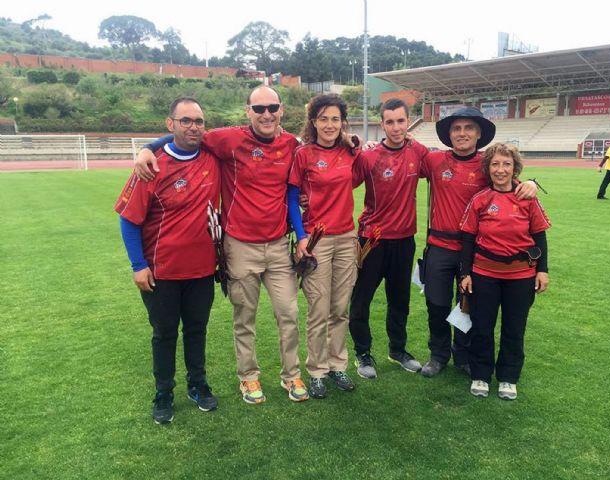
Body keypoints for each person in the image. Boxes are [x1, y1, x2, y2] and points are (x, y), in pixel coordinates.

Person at [134, 86, 309, 405]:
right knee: (245, 315)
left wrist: (352, 143)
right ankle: (249, 378)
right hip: (240, 244)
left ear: (281, 110)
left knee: (289, 311)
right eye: (259, 109)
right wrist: (148, 147)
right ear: (248, 112)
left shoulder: (291, 144)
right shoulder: (228, 138)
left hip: (278, 244)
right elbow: (187, 135)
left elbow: (306, 171)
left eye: (272, 108)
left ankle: (291, 374)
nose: (266, 114)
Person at [115, 96, 220, 424]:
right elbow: (128, 220)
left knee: (197, 329)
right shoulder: (152, 166)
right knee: (164, 333)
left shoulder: (214, 157)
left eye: (199, 121)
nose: (194, 127)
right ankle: (163, 392)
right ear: (170, 123)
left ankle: (197, 384)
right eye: (185, 120)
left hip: (203, 270)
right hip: (160, 273)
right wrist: (137, 265)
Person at [420, 106, 538, 378]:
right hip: (439, 246)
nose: (462, 133)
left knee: (468, 305)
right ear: (449, 134)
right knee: (436, 304)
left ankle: (463, 353)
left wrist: (530, 182)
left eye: (468, 128)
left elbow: (510, 180)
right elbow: (404, 156)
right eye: (456, 128)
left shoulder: (487, 163)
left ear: (478, 133)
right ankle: (438, 354)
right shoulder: (434, 160)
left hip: (474, 250)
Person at [459, 143, 550, 400]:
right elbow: (467, 239)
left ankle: (508, 377)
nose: (501, 170)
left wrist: (542, 270)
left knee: (514, 328)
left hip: (520, 276)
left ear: (515, 167)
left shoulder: (528, 199)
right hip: (484, 274)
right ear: (488, 168)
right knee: (482, 327)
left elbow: (539, 236)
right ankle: (481, 374)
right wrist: (465, 273)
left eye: (506, 164)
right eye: (495, 164)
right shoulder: (481, 199)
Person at [349, 98, 429, 379]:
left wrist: (520, 183)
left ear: (409, 122)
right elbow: (340, 183)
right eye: (390, 122)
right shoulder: (369, 157)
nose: (396, 127)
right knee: (361, 300)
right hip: (371, 240)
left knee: (399, 300)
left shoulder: (419, 152)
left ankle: (397, 350)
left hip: (404, 241)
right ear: (381, 125)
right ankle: (362, 353)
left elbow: (450, 171)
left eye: (401, 121)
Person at [288, 93, 358, 398]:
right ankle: (316, 371)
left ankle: (337, 365)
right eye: (323, 119)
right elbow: (292, 197)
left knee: (340, 308)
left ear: (342, 122)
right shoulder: (303, 155)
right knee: (318, 308)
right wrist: (301, 236)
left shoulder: (350, 152)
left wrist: (354, 142)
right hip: (317, 239)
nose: (330, 124)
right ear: (313, 121)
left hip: (347, 238)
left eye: (335, 119)